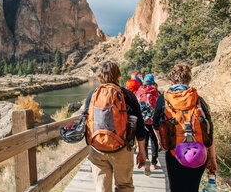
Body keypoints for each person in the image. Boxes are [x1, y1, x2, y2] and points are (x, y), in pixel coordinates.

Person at [152, 64, 218, 192]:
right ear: (189, 81)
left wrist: (161, 141)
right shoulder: (198, 99)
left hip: (174, 152)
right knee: (192, 188)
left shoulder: (163, 99)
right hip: (198, 154)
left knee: (175, 188)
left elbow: (155, 125)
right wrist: (212, 158)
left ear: (171, 82)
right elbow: (209, 131)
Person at [85, 61, 146, 192]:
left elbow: (86, 120)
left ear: (100, 76)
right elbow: (140, 126)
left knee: (102, 189)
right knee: (124, 186)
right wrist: (142, 151)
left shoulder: (92, 94)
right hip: (122, 148)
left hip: (97, 149)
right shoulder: (127, 95)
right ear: (118, 75)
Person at [136, 74, 159, 175]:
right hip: (153, 120)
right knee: (154, 140)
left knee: (144, 140)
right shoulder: (156, 92)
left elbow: (136, 104)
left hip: (143, 120)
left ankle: (146, 159)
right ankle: (154, 162)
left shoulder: (140, 91)